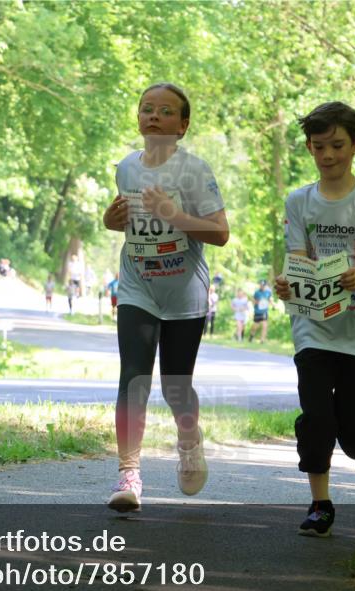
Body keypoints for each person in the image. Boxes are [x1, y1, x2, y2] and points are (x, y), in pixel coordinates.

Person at [101, 82, 229, 512]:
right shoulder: (126, 167)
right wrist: (110, 219)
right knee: (133, 376)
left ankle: (189, 440)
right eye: (146, 109)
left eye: (165, 111)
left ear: (183, 125)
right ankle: (128, 474)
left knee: (177, 386)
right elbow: (126, 222)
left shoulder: (194, 171)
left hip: (184, 291)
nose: (153, 116)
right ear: (138, 118)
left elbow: (221, 233)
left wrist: (174, 215)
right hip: (137, 285)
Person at [274, 101, 355, 537]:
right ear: (309, 148)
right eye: (319, 146)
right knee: (316, 417)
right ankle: (319, 503)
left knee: (352, 428)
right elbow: (296, 260)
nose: (328, 155)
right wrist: (288, 283)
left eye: (337, 145)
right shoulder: (298, 201)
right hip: (314, 328)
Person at [250, 279, 273, 343]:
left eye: (263, 285)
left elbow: (269, 299)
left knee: (264, 325)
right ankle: (251, 336)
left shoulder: (268, 292)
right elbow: (253, 300)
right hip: (257, 311)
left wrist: (273, 305)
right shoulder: (257, 292)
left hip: (264, 312)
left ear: (265, 285)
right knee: (255, 327)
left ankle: (262, 340)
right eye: (260, 285)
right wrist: (256, 302)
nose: (261, 286)